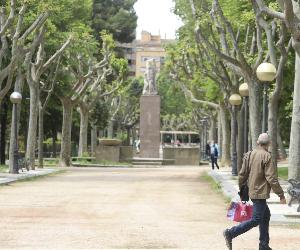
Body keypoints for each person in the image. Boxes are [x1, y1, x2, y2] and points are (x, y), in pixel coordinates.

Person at [223, 133, 286, 250]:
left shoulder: (249, 154)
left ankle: (264, 245)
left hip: (252, 191)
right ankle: (230, 233)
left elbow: (242, 174)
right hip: (260, 193)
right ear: (269, 144)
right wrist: (281, 194)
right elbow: (271, 178)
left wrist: (241, 188)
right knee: (256, 219)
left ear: (258, 142)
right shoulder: (267, 156)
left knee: (265, 215)